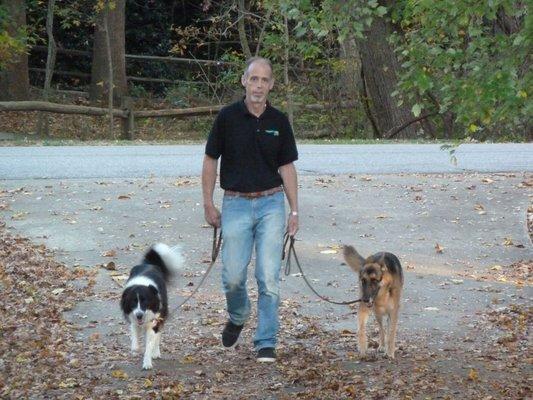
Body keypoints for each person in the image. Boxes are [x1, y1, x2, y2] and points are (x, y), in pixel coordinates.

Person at [201, 56, 299, 363]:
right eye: (253, 79)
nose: (258, 86)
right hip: (235, 204)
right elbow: (209, 160)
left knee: (268, 277)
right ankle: (239, 313)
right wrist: (208, 202)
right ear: (244, 81)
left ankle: (266, 341)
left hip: (271, 204)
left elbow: (287, 167)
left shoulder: (279, 121)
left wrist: (294, 211)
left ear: (271, 85)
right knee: (231, 275)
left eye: (264, 80)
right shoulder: (228, 117)